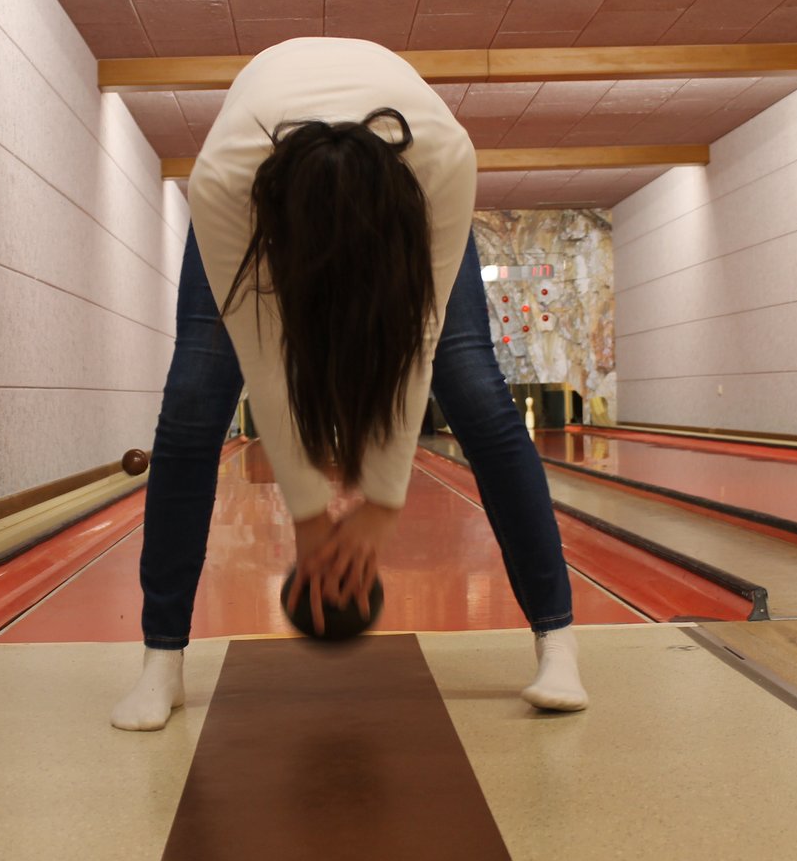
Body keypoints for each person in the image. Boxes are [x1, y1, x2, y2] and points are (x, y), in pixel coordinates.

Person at [111, 37, 588, 731]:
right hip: (252, 203)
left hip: (408, 196)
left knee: (475, 388)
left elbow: (420, 342)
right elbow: (264, 360)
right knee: (193, 401)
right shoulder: (226, 183)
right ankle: (161, 660)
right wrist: (310, 516)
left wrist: (383, 502)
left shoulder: (442, 162)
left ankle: (558, 643)